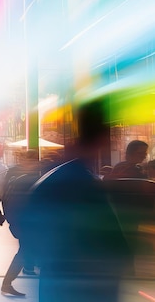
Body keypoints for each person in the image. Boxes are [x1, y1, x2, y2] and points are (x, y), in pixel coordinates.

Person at [27, 98, 132, 302]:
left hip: (62, 281)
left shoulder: (60, 177)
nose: (116, 139)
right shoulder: (80, 181)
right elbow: (107, 241)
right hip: (81, 285)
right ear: (103, 138)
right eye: (114, 132)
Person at [0, 149, 41, 297]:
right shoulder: (27, 180)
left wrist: (11, 220)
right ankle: (7, 283)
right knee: (25, 251)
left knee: (25, 250)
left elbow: (6, 200)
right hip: (27, 222)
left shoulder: (19, 179)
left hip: (23, 222)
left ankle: (7, 283)